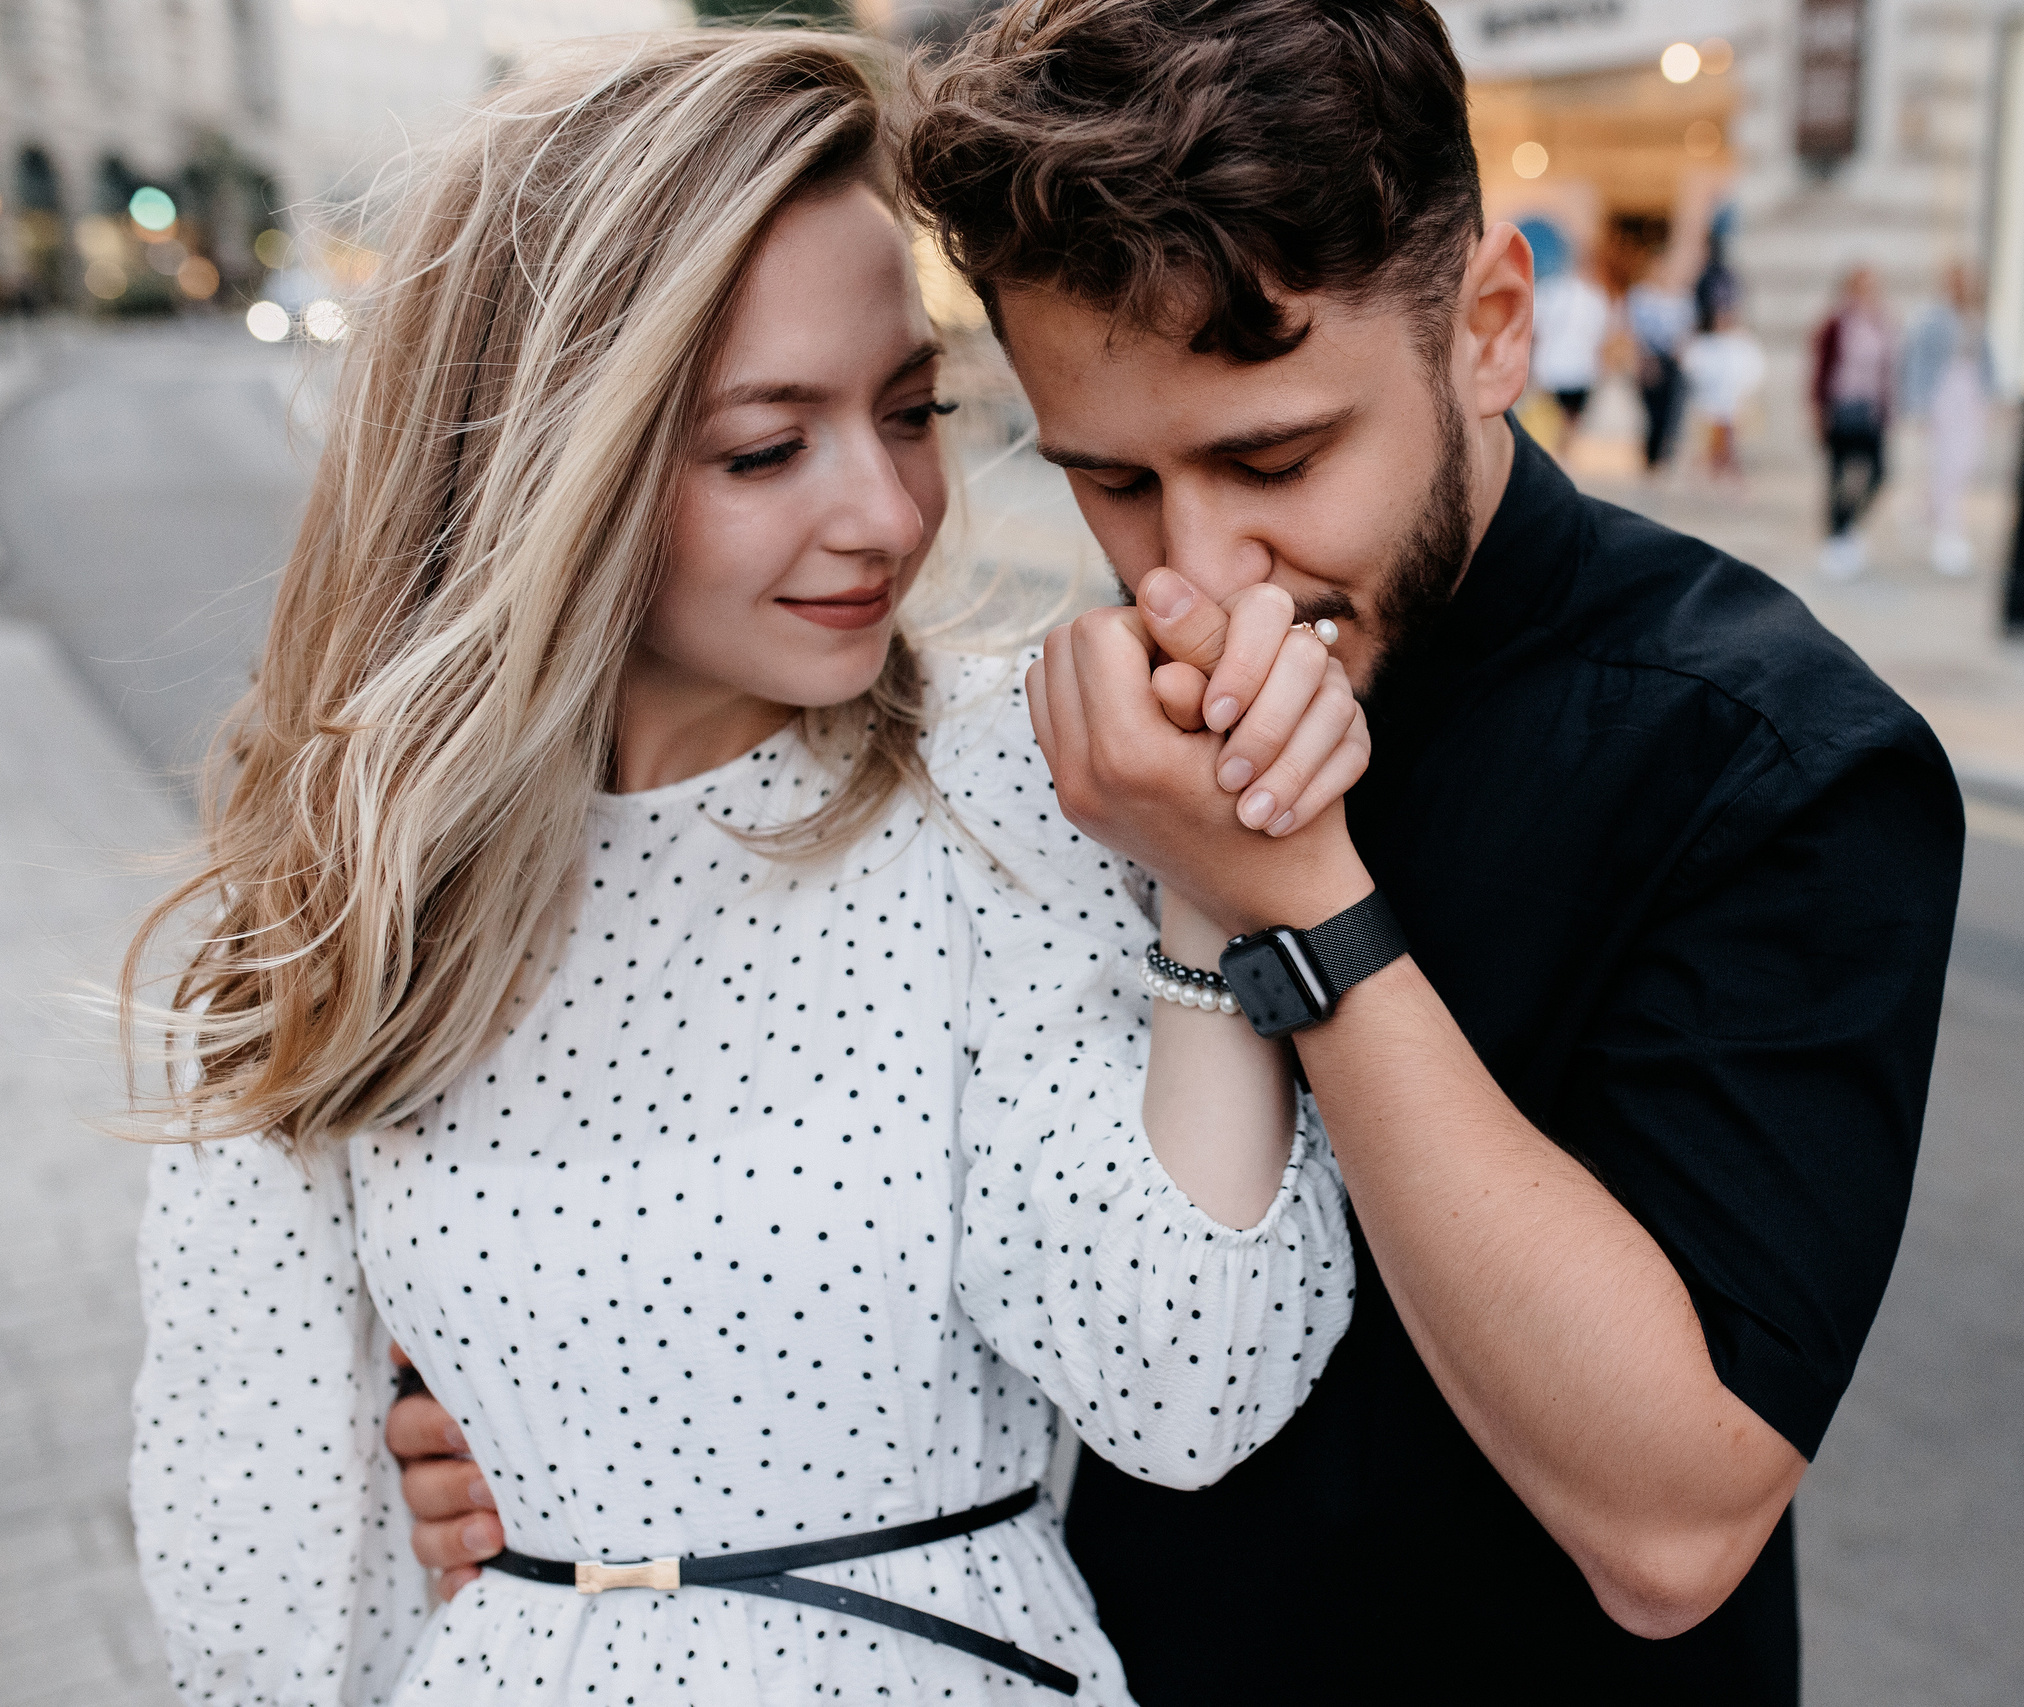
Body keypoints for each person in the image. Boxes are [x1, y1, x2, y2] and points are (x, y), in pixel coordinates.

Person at [399, 2, 1966, 1701]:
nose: (1196, 575)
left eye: (1272, 456)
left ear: (1490, 328)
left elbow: (1673, 1523)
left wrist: (1292, 900)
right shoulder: (1077, 742)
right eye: (1114, 481)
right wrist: (575, 1444)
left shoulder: (1778, 762)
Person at [122, 32, 1369, 1705]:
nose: (889, 512)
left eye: (913, 411)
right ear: (554, 470)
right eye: (766, 448)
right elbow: (267, 1573)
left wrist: (1207, 877)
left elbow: (1189, 1386)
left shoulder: (1014, 783)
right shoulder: (334, 898)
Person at [1899, 261, 1995, 576]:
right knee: (1945, 465)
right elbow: (1918, 361)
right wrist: (1918, 405)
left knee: (1964, 463)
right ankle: (1948, 534)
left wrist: (1992, 396)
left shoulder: (1975, 318)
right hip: (1944, 395)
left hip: (1970, 397)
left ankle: (1929, 510)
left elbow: (1987, 362)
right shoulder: (1932, 319)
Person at [1811, 264, 1895, 578]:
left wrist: (1887, 409)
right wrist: (1818, 412)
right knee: (1838, 475)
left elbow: (1886, 371)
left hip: (1870, 410)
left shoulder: (1881, 323)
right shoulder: (1835, 324)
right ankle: (1835, 536)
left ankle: (1848, 527)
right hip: (1842, 407)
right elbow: (1821, 370)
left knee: (1879, 474)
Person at [1530, 254, 1609, 452]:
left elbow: (1535, 330)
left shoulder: (1551, 290)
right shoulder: (1595, 296)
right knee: (1566, 419)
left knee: (1554, 419)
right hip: (1575, 369)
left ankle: (1558, 451)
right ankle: (1562, 451)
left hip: (1557, 367)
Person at [1682, 300, 1768, 481]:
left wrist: (1742, 392)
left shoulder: (1743, 343)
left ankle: (1730, 472)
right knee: (1707, 443)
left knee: (1731, 443)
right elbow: (1693, 366)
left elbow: (1754, 370)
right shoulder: (1704, 343)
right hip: (1708, 403)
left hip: (1736, 403)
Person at [1626, 255, 1693, 472]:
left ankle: (1665, 459)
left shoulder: (1681, 297)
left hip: (1673, 360)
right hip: (1650, 359)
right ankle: (1650, 458)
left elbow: (1687, 330)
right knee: (1652, 413)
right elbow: (1635, 331)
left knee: (1671, 412)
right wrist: (1642, 360)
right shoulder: (1641, 296)